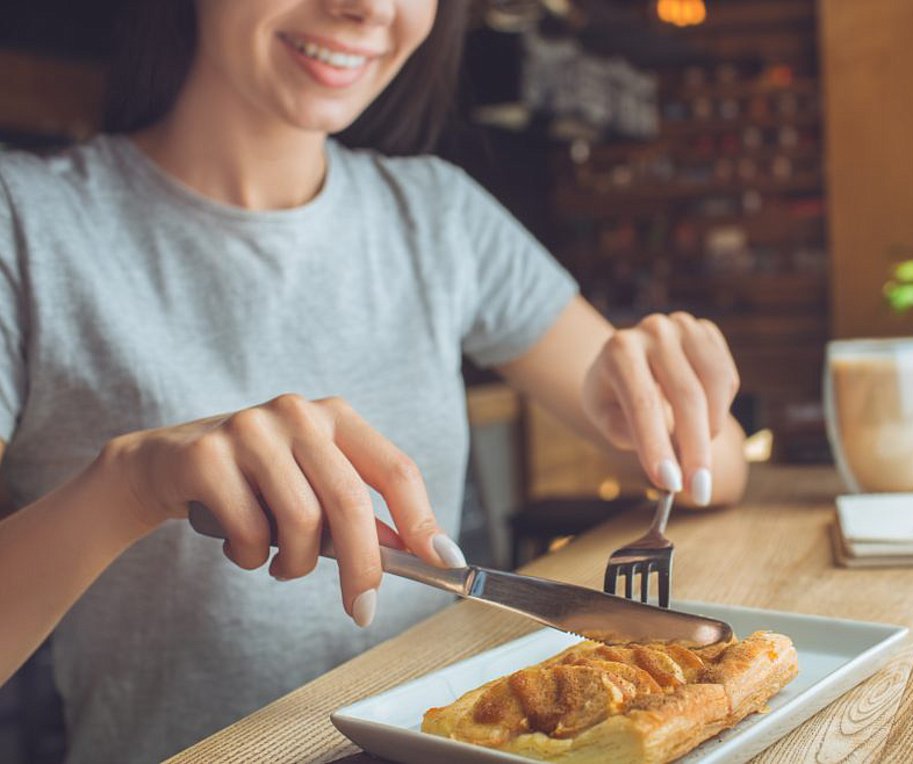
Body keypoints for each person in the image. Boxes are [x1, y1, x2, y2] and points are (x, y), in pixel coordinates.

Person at [0, 1, 749, 761]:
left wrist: (654, 403)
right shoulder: (24, 225)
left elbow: (717, 464)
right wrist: (129, 486)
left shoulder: (439, 215)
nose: (366, 8)